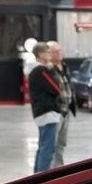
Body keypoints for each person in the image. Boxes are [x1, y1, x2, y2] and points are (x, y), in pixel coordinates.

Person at [28, 42, 64, 173]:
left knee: (43, 146)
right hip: (47, 112)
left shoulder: (36, 70)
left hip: (42, 112)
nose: (51, 54)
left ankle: (37, 176)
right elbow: (56, 88)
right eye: (48, 52)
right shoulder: (41, 70)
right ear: (41, 54)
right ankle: (42, 179)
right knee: (48, 149)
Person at [47, 41, 76, 167]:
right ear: (49, 54)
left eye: (60, 50)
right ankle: (49, 171)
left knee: (62, 143)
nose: (59, 53)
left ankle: (58, 169)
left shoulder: (64, 67)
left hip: (66, 110)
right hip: (55, 111)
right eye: (55, 51)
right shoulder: (48, 69)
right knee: (51, 144)